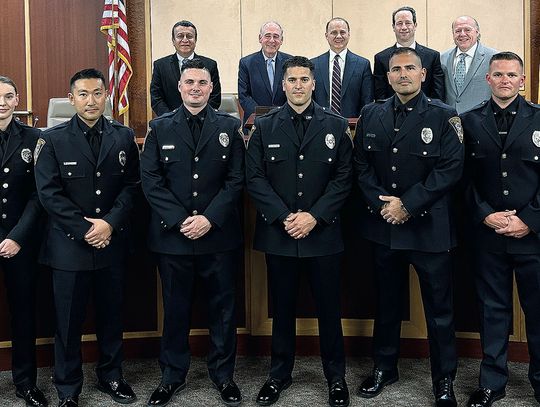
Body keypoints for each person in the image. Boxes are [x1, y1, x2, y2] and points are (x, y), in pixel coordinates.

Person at [353, 48, 463, 407]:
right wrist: (384, 206)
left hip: (429, 228)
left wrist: (408, 205)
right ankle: (385, 368)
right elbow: (361, 166)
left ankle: (443, 379)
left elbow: (449, 170)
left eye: (409, 68)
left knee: (439, 310)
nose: (402, 74)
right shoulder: (371, 114)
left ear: (423, 74)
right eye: (395, 69)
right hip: (385, 226)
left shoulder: (445, 116)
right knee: (387, 303)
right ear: (387, 77)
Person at [246, 56, 352, 407]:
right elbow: (254, 178)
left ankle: (336, 378)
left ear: (314, 83)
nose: (297, 85)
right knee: (282, 308)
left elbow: (343, 178)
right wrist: (283, 217)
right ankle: (279, 375)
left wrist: (314, 217)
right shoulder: (264, 125)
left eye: (304, 79)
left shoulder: (335, 125)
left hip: (322, 234)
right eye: (291, 80)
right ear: (283, 84)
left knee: (328, 310)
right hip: (280, 233)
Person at [141, 59, 244, 407]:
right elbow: (151, 181)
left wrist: (209, 219)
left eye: (202, 82)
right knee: (175, 309)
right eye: (190, 82)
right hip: (173, 237)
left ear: (212, 88)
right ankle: (171, 376)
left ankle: (223, 375)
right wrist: (183, 220)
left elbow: (236, 180)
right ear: (180, 87)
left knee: (223, 310)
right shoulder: (160, 127)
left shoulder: (229, 125)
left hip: (219, 236)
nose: (196, 88)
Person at [34, 68, 140, 407]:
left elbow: (131, 187)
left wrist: (108, 224)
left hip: (112, 242)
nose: (90, 100)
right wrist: (87, 229)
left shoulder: (123, 136)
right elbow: (49, 194)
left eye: (97, 93)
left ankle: (112, 376)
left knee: (112, 315)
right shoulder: (51, 139)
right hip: (69, 247)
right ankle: (67, 388)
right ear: (71, 99)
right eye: (83, 94)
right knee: (68, 323)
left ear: (106, 96)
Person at [461, 52, 540, 407]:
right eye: (498, 75)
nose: (505, 80)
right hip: (488, 236)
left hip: (532, 235)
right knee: (492, 310)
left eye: (512, 75)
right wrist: (484, 214)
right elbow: (461, 178)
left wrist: (530, 219)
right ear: (488, 79)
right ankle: (492, 382)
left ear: (522, 80)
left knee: (537, 311)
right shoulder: (468, 122)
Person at [0, 76, 46, 407]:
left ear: (18, 101)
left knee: (24, 313)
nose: (1, 102)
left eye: (8, 96)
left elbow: (38, 195)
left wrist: (17, 236)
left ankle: (26, 383)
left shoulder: (35, 138)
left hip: (21, 243)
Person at [150, 20, 222, 116]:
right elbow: (156, 98)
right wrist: (170, 118)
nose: (185, 40)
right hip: (170, 122)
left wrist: (199, 116)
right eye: (180, 36)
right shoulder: (160, 65)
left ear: (195, 40)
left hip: (203, 121)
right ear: (173, 41)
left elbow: (215, 97)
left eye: (189, 36)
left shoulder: (210, 65)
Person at [373, 6, 444, 101]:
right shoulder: (381, 58)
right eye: (399, 23)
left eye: (408, 23)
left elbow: (437, 94)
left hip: (426, 113)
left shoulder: (432, 56)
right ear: (393, 27)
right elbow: (380, 96)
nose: (404, 27)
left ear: (415, 25)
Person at [312, 17, 373, 118]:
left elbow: (367, 101)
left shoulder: (363, 64)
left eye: (342, 32)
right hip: (320, 124)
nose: (338, 36)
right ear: (326, 36)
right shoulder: (314, 64)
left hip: (352, 126)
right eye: (334, 32)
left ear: (349, 35)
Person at [238, 21, 292, 126]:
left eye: (276, 36)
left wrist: (283, 114)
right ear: (260, 38)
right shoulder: (246, 63)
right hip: (255, 122)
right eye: (267, 36)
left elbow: (293, 91)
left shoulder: (290, 62)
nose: (272, 40)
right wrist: (262, 116)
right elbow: (244, 95)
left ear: (281, 40)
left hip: (285, 120)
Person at [441, 15, 497, 114]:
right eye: (458, 31)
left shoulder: (494, 58)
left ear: (477, 32)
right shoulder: (442, 58)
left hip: (481, 121)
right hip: (450, 121)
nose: (462, 34)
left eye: (467, 30)